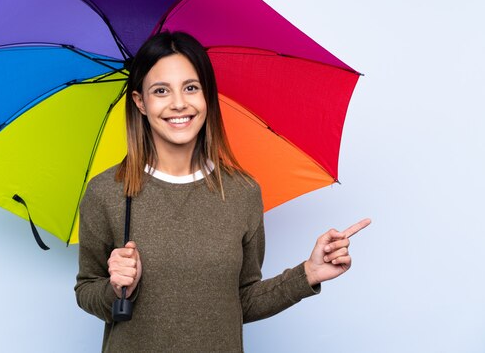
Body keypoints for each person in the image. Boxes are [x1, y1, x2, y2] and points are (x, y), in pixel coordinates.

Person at [75, 31, 370, 352]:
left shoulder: (242, 192)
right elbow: (87, 290)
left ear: (207, 96)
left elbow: (241, 299)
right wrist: (118, 288)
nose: (178, 103)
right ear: (140, 102)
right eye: (161, 90)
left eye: (191, 87)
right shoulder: (106, 191)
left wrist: (308, 273)